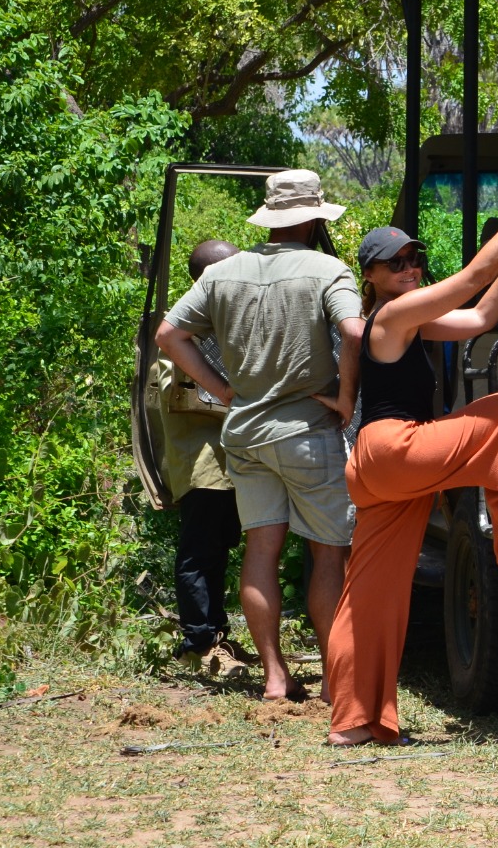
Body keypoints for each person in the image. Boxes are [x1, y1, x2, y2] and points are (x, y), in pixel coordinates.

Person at [326, 170, 498, 747]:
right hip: (393, 447)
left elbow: (480, 317)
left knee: (372, 595)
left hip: (378, 467)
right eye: (397, 263)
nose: (410, 269)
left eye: (415, 258)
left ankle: (356, 723)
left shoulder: (408, 319)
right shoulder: (390, 317)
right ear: (373, 277)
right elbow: (470, 279)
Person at [156, 170, 364, 703]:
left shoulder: (226, 272)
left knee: (260, 549)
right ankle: (334, 676)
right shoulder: (327, 269)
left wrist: (224, 393)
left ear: (270, 218)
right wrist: (344, 397)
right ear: (316, 217)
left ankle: (275, 677)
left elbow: (169, 335)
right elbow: (356, 331)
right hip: (307, 431)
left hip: (244, 433)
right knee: (328, 552)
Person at [156, 239, 254, 671]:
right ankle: (199, 643)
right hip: (204, 465)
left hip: (229, 464)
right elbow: (188, 397)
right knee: (200, 553)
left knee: (219, 552)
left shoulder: (220, 327)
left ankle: (217, 636)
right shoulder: (185, 331)